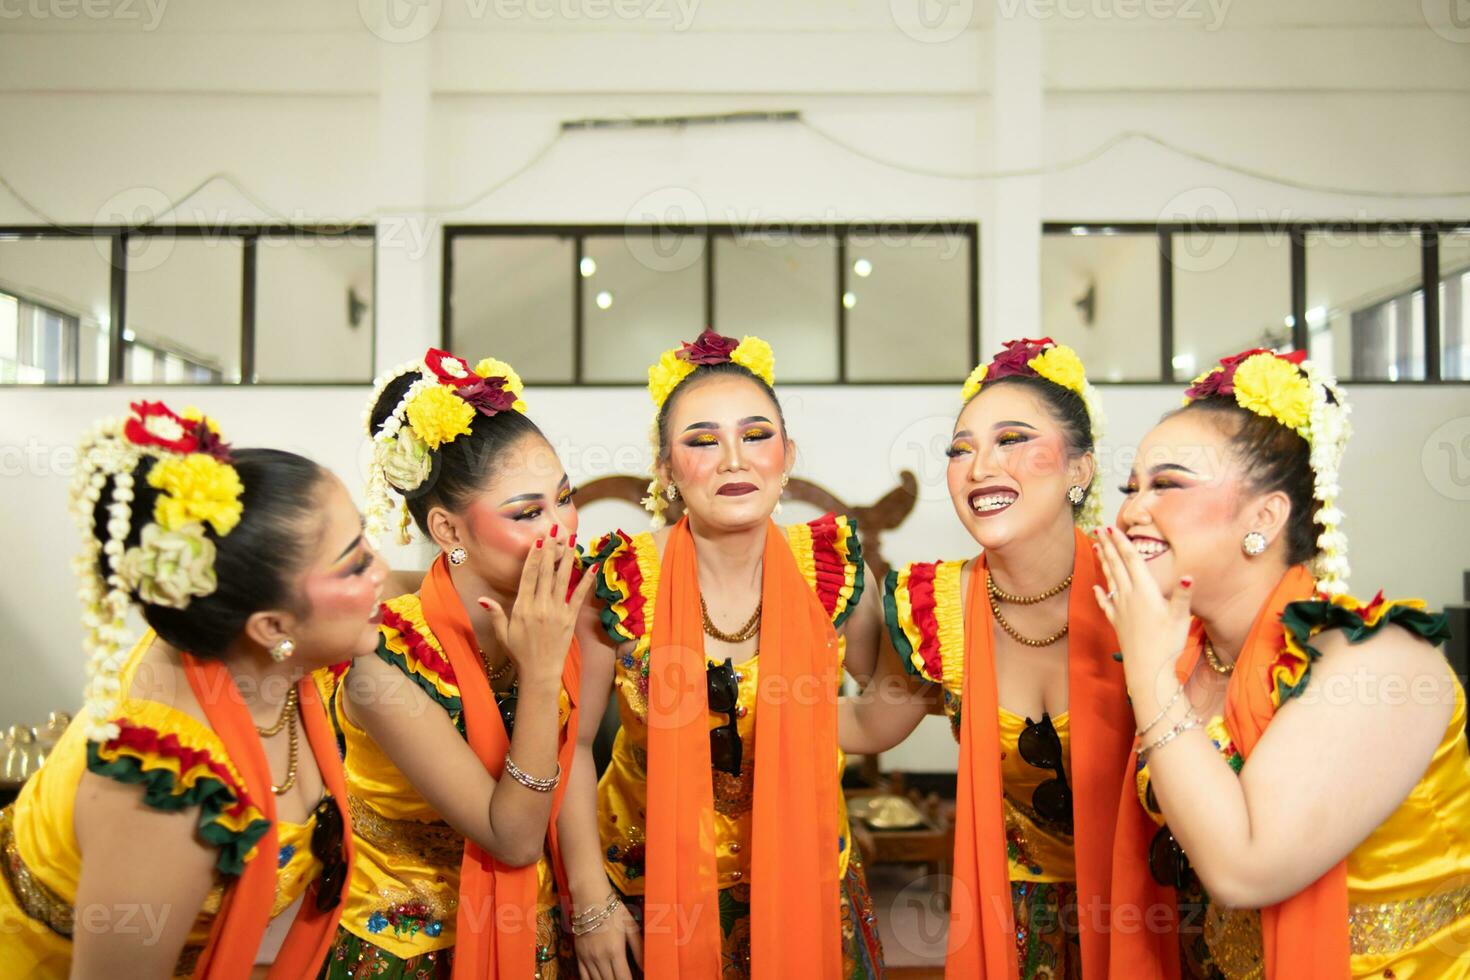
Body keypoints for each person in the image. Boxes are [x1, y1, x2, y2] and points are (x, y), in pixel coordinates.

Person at [1103, 347, 1470, 978]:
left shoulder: (1378, 663)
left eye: (1167, 483)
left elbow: (1245, 870)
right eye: (1131, 487)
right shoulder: (1190, 658)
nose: (1133, 509)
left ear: (1264, 518)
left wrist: (1148, 677)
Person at [0, 400, 382, 978]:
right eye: (355, 565)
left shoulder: (226, 633)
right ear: (273, 626)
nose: (382, 570)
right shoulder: (165, 790)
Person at [561, 329, 885, 979]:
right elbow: (567, 743)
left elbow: (886, 708)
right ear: (666, 470)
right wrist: (591, 901)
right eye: (702, 441)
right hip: (646, 892)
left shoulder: (833, 571)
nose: (733, 459)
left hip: (806, 882)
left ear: (787, 455)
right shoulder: (621, 581)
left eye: (756, 435)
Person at [840, 338, 1133, 978]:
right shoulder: (938, 606)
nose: (978, 467)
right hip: (1013, 924)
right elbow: (867, 724)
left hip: (1150, 912)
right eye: (960, 449)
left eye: (1011, 439)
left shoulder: (1140, 588)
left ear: (1080, 469)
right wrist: (743, 684)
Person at [325, 349, 596, 979]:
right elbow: (514, 837)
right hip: (405, 954)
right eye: (527, 513)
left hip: (533, 934)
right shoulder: (381, 662)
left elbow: (578, 752)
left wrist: (593, 901)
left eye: (565, 498)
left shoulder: (567, 603)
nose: (561, 529)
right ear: (449, 531)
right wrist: (540, 673)